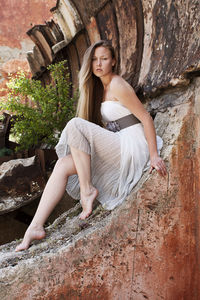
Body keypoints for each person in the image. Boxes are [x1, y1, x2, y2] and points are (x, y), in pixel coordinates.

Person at [15, 40, 167, 251]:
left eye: (104, 59)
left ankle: (87, 191)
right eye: (95, 59)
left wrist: (154, 155)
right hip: (118, 144)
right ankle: (35, 227)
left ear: (113, 61)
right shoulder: (99, 88)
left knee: (75, 125)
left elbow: (145, 118)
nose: (99, 63)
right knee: (62, 166)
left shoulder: (117, 84)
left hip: (132, 146)